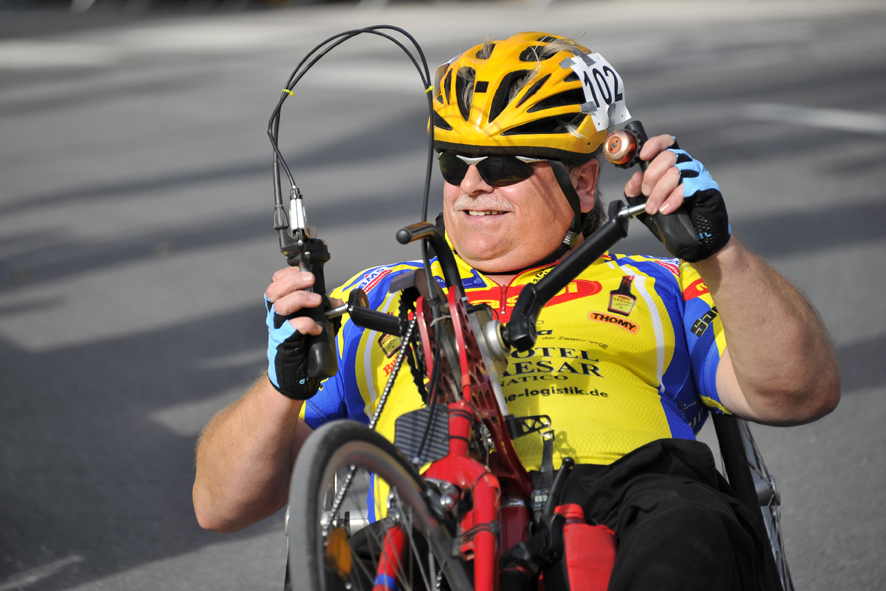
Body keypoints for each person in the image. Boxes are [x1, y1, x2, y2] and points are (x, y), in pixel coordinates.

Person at [193, 32, 840, 590]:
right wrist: (278, 389)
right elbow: (219, 505)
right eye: (455, 162)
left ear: (582, 181)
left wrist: (721, 254)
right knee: (344, 568)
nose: (472, 186)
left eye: (503, 165)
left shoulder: (661, 285)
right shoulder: (373, 297)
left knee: (692, 527)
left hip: (627, 510)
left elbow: (801, 391)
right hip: (431, 532)